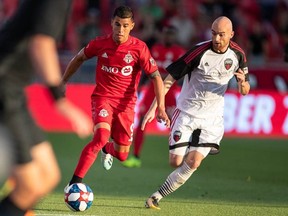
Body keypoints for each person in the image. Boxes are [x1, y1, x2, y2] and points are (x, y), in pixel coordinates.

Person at [142, 16, 250, 210]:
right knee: (175, 162)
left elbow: (245, 90)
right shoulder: (198, 52)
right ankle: (189, 145)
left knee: (193, 162)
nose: (217, 39)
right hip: (186, 113)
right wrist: (156, 107)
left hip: (212, 119)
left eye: (222, 35)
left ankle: (156, 197)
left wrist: (243, 84)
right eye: (214, 33)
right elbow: (169, 79)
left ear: (231, 35)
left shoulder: (238, 55)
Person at [0, 0, 93, 215]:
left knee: (48, 176)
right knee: (30, 185)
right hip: (4, 87)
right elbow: (41, 43)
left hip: (14, 90)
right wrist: (59, 100)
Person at [62, 6, 169, 188]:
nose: (120, 30)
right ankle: (74, 184)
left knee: (122, 155)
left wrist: (160, 107)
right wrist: (62, 82)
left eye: (125, 25)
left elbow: (156, 76)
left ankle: (108, 149)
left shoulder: (139, 49)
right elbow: (79, 58)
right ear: (111, 23)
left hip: (126, 106)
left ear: (132, 26)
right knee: (101, 137)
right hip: (103, 98)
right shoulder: (99, 43)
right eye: (117, 24)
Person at [122, 25, 185, 168]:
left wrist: (162, 77)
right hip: (152, 90)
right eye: (166, 34)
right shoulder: (155, 48)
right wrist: (139, 86)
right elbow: (146, 69)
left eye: (171, 34)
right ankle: (136, 156)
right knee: (142, 121)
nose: (168, 37)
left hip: (169, 92)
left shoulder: (179, 52)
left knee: (175, 124)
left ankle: (180, 155)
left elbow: (181, 74)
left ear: (174, 37)